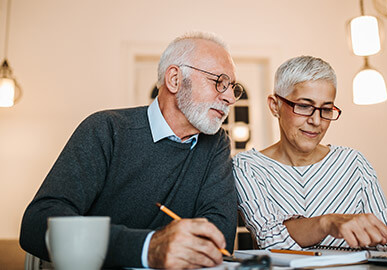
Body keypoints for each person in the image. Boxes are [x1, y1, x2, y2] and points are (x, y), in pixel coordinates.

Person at [20, 32, 244, 269]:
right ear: (175, 79)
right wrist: (148, 248)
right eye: (219, 81)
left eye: (232, 87)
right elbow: (37, 224)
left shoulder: (216, 143)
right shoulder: (106, 129)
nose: (229, 97)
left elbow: (218, 238)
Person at [233, 55, 387, 254]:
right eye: (304, 106)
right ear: (275, 106)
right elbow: (272, 241)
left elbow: (386, 241)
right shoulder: (248, 166)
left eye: (326, 109)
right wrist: (327, 223)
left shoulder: (354, 163)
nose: (315, 121)